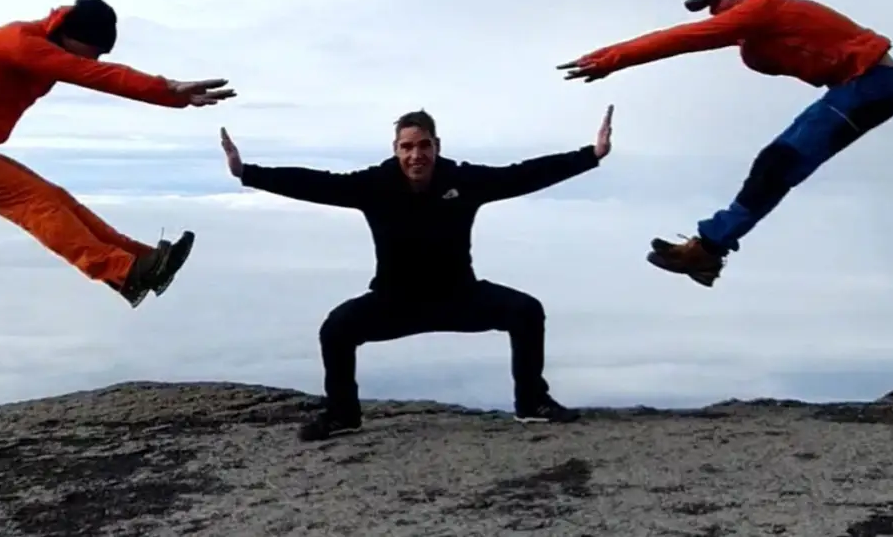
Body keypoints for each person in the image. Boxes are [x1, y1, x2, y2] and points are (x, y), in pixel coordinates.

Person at [219, 104, 614, 441]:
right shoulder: (376, 184)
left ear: (437, 147)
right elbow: (317, 184)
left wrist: (589, 155)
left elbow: (519, 175)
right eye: (407, 147)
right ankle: (343, 414)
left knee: (526, 311)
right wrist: (248, 173)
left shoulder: (461, 179)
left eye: (424, 145)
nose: (416, 155)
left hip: (459, 298)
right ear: (396, 150)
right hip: (396, 301)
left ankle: (532, 402)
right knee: (337, 328)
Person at [556, 0, 893, 288]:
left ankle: (707, 249)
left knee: (778, 165)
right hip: (856, 87)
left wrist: (608, 59)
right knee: (773, 164)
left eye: (716, 0)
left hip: (872, 85)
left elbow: (685, 38)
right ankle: (709, 251)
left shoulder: (765, 6)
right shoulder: (759, 25)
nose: (712, 11)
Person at [0, 0, 236, 309]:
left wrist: (169, 92)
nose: (92, 60)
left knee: (57, 200)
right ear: (71, 35)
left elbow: (94, 70)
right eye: (91, 51)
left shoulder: (44, 43)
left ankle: (144, 261)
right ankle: (126, 272)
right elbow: (97, 76)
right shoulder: (20, 42)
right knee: (38, 205)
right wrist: (168, 90)